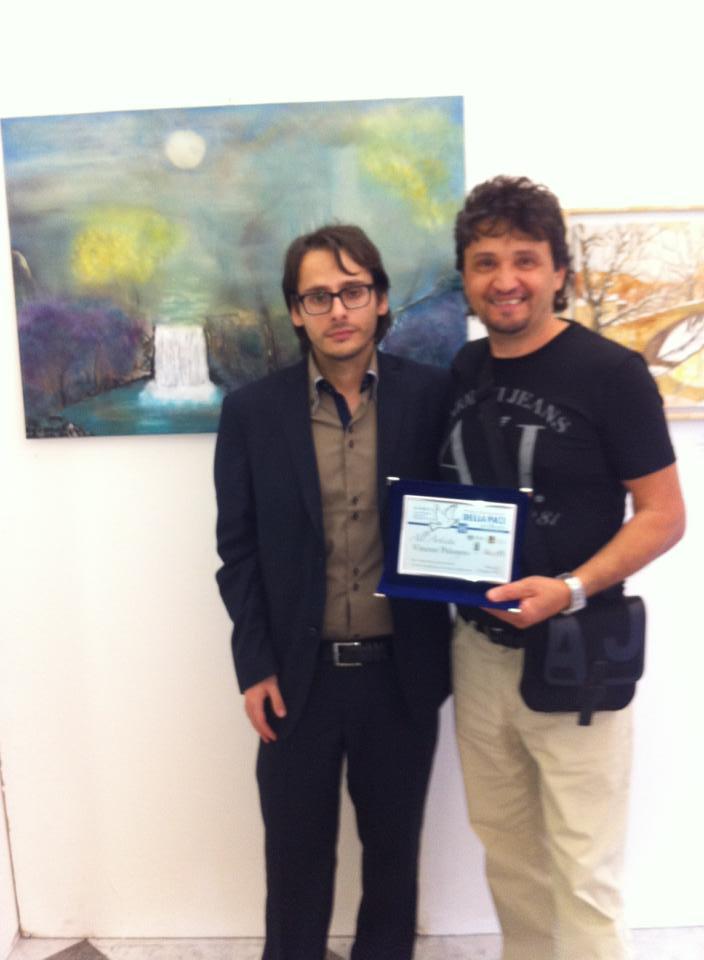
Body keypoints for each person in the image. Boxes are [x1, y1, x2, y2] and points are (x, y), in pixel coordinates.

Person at [442, 176, 685, 960]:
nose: (505, 279)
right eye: (485, 262)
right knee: (510, 859)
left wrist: (571, 588)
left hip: (578, 655)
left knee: (584, 874)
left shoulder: (611, 373)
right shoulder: (464, 370)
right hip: (478, 653)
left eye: (525, 259)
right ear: (465, 276)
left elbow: (664, 514)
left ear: (558, 272)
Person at [214, 224, 452, 960]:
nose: (338, 309)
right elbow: (237, 551)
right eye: (318, 296)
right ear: (296, 311)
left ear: (380, 299)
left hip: (400, 677)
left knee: (393, 865)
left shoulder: (432, 397)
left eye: (353, 291)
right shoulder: (253, 413)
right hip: (297, 680)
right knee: (295, 869)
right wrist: (255, 665)